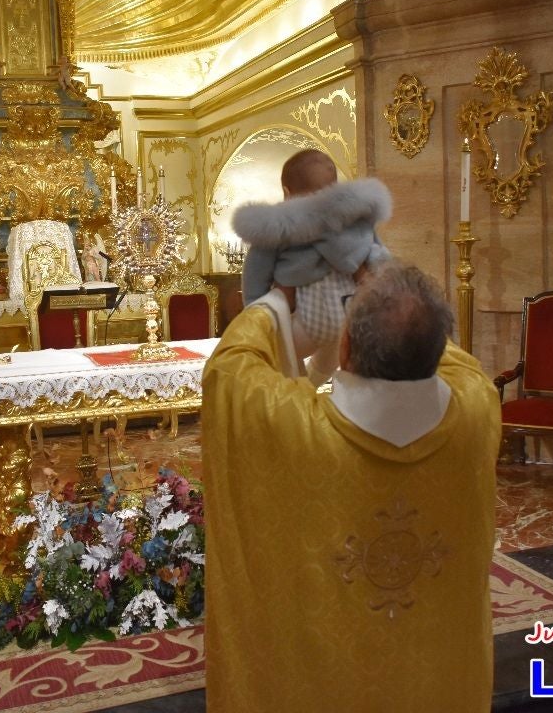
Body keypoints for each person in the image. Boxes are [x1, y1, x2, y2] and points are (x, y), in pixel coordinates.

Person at [201, 261, 500, 711]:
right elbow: (453, 359)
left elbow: (229, 370)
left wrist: (279, 300)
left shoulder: (291, 426)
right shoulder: (477, 410)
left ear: (344, 347)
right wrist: (387, 288)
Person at [232, 149, 390, 382]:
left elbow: (256, 273)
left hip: (309, 321)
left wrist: (256, 314)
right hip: (349, 317)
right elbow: (379, 255)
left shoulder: (279, 225)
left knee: (281, 353)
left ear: (287, 192)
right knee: (332, 356)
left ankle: (299, 392)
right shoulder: (356, 218)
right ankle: (315, 386)